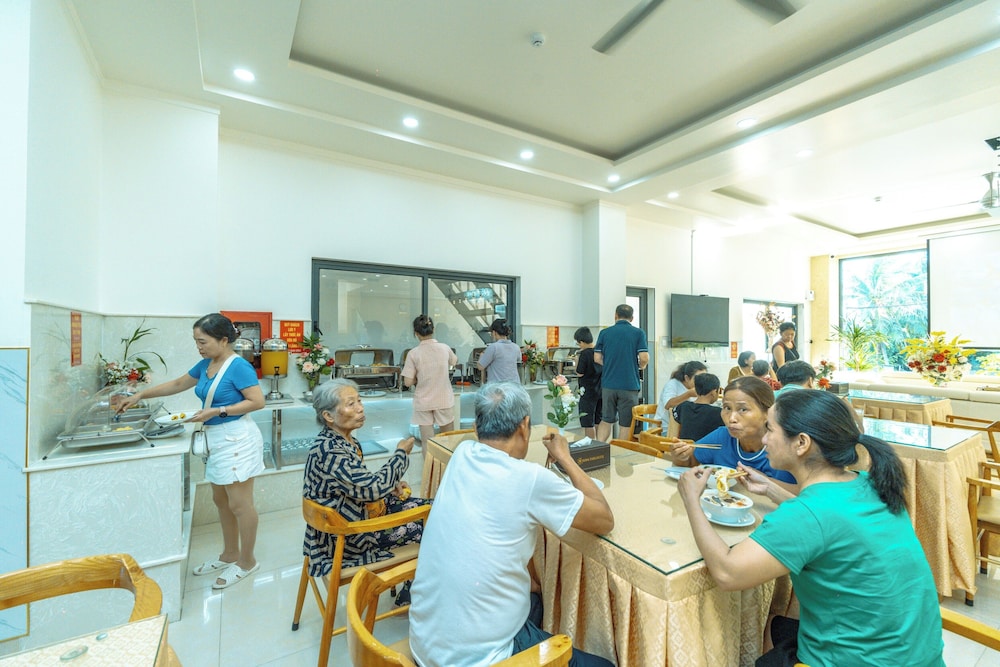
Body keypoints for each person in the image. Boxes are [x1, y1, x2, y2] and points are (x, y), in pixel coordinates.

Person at [676, 390, 944, 667]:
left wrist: (692, 500)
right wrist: (770, 488)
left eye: (770, 429)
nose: (765, 439)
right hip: (915, 654)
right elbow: (825, 520)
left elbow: (727, 573)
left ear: (801, 443)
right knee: (776, 624)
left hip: (855, 659)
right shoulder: (868, 483)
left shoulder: (805, 515)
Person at [409, 383, 615, 667]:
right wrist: (565, 457)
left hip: (425, 641)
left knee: (535, 597)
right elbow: (604, 519)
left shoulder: (462, 453)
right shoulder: (528, 479)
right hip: (478, 660)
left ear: (477, 426)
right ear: (524, 426)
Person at [116, 313, 266, 589]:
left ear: (223, 340)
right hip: (216, 439)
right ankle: (230, 553)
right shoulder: (206, 364)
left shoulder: (239, 367)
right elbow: (177, 384)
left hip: (237, 439)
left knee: (240, 504)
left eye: (203, 341)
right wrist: (139, 395)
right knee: (221, 500)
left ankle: (247, 560)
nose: (199, 347)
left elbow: (257, 402)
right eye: (196, 341)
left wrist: (218, 410)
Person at [301, 378, 431, 605]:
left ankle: (414, 584)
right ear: (328, 416)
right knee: (430, 525)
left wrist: (389, 487)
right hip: (348, 537)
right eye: (350, 404)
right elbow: (371, 490)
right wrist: (401, 454)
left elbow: (360, 486)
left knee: (434, 508)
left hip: (357, 515)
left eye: (359, 401)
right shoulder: (329, 451)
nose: (360, 408)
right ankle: (415, 589)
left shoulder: (345, 441)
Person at [670, 376, 796, 485]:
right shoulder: (722, 436)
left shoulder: (784, 447)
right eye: (727, 408)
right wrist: (681, 456)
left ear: (767, 413)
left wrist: (765, 482)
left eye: (743, 409)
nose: (731, 418)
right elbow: (691, 462)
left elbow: (802, 493)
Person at [402, 315, 458, 450]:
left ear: (416, 333)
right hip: (443, 399)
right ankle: (447, 463)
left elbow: (407, 382)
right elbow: (454, 361)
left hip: (424, 401)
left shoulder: (413, 353)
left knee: (427, 442)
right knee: (449, 439)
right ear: (433, 330)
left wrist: (417, 377)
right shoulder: (444, 348)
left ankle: (429, 465)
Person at [594, 304, 649, 443]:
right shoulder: (638, 333)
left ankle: (600, 448)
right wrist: (639, 367)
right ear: (632, 318)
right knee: (626, 424)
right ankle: (619, 452)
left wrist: (611, 365)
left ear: (615, 316)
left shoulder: (604, 333)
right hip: (629, 385)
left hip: (608, 385)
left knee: (606, 420)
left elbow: (597, 358)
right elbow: (644, 358)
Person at [674, 373, 724, 441]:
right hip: (706, 447)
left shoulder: (683, 406)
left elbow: (674, 433)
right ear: (714, 392)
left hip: (684, 446)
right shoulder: (719, 413)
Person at [573, 326, 603, 439]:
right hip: (600, 390)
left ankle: (591, 444)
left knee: (588, 421)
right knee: (598, 419)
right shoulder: (599, 351)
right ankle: (600, 443)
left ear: (581, 342)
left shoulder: (584, 354)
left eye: (578, 343)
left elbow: (580, 373)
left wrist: (576, 362)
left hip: (588, 392)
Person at [477, 319, 520, 384]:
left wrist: (482, 355)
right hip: (514, 386)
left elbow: (480, 367)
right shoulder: (516, 347)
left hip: (498, 387)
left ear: (494, 332)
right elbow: (518, 360)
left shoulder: (493, 347)